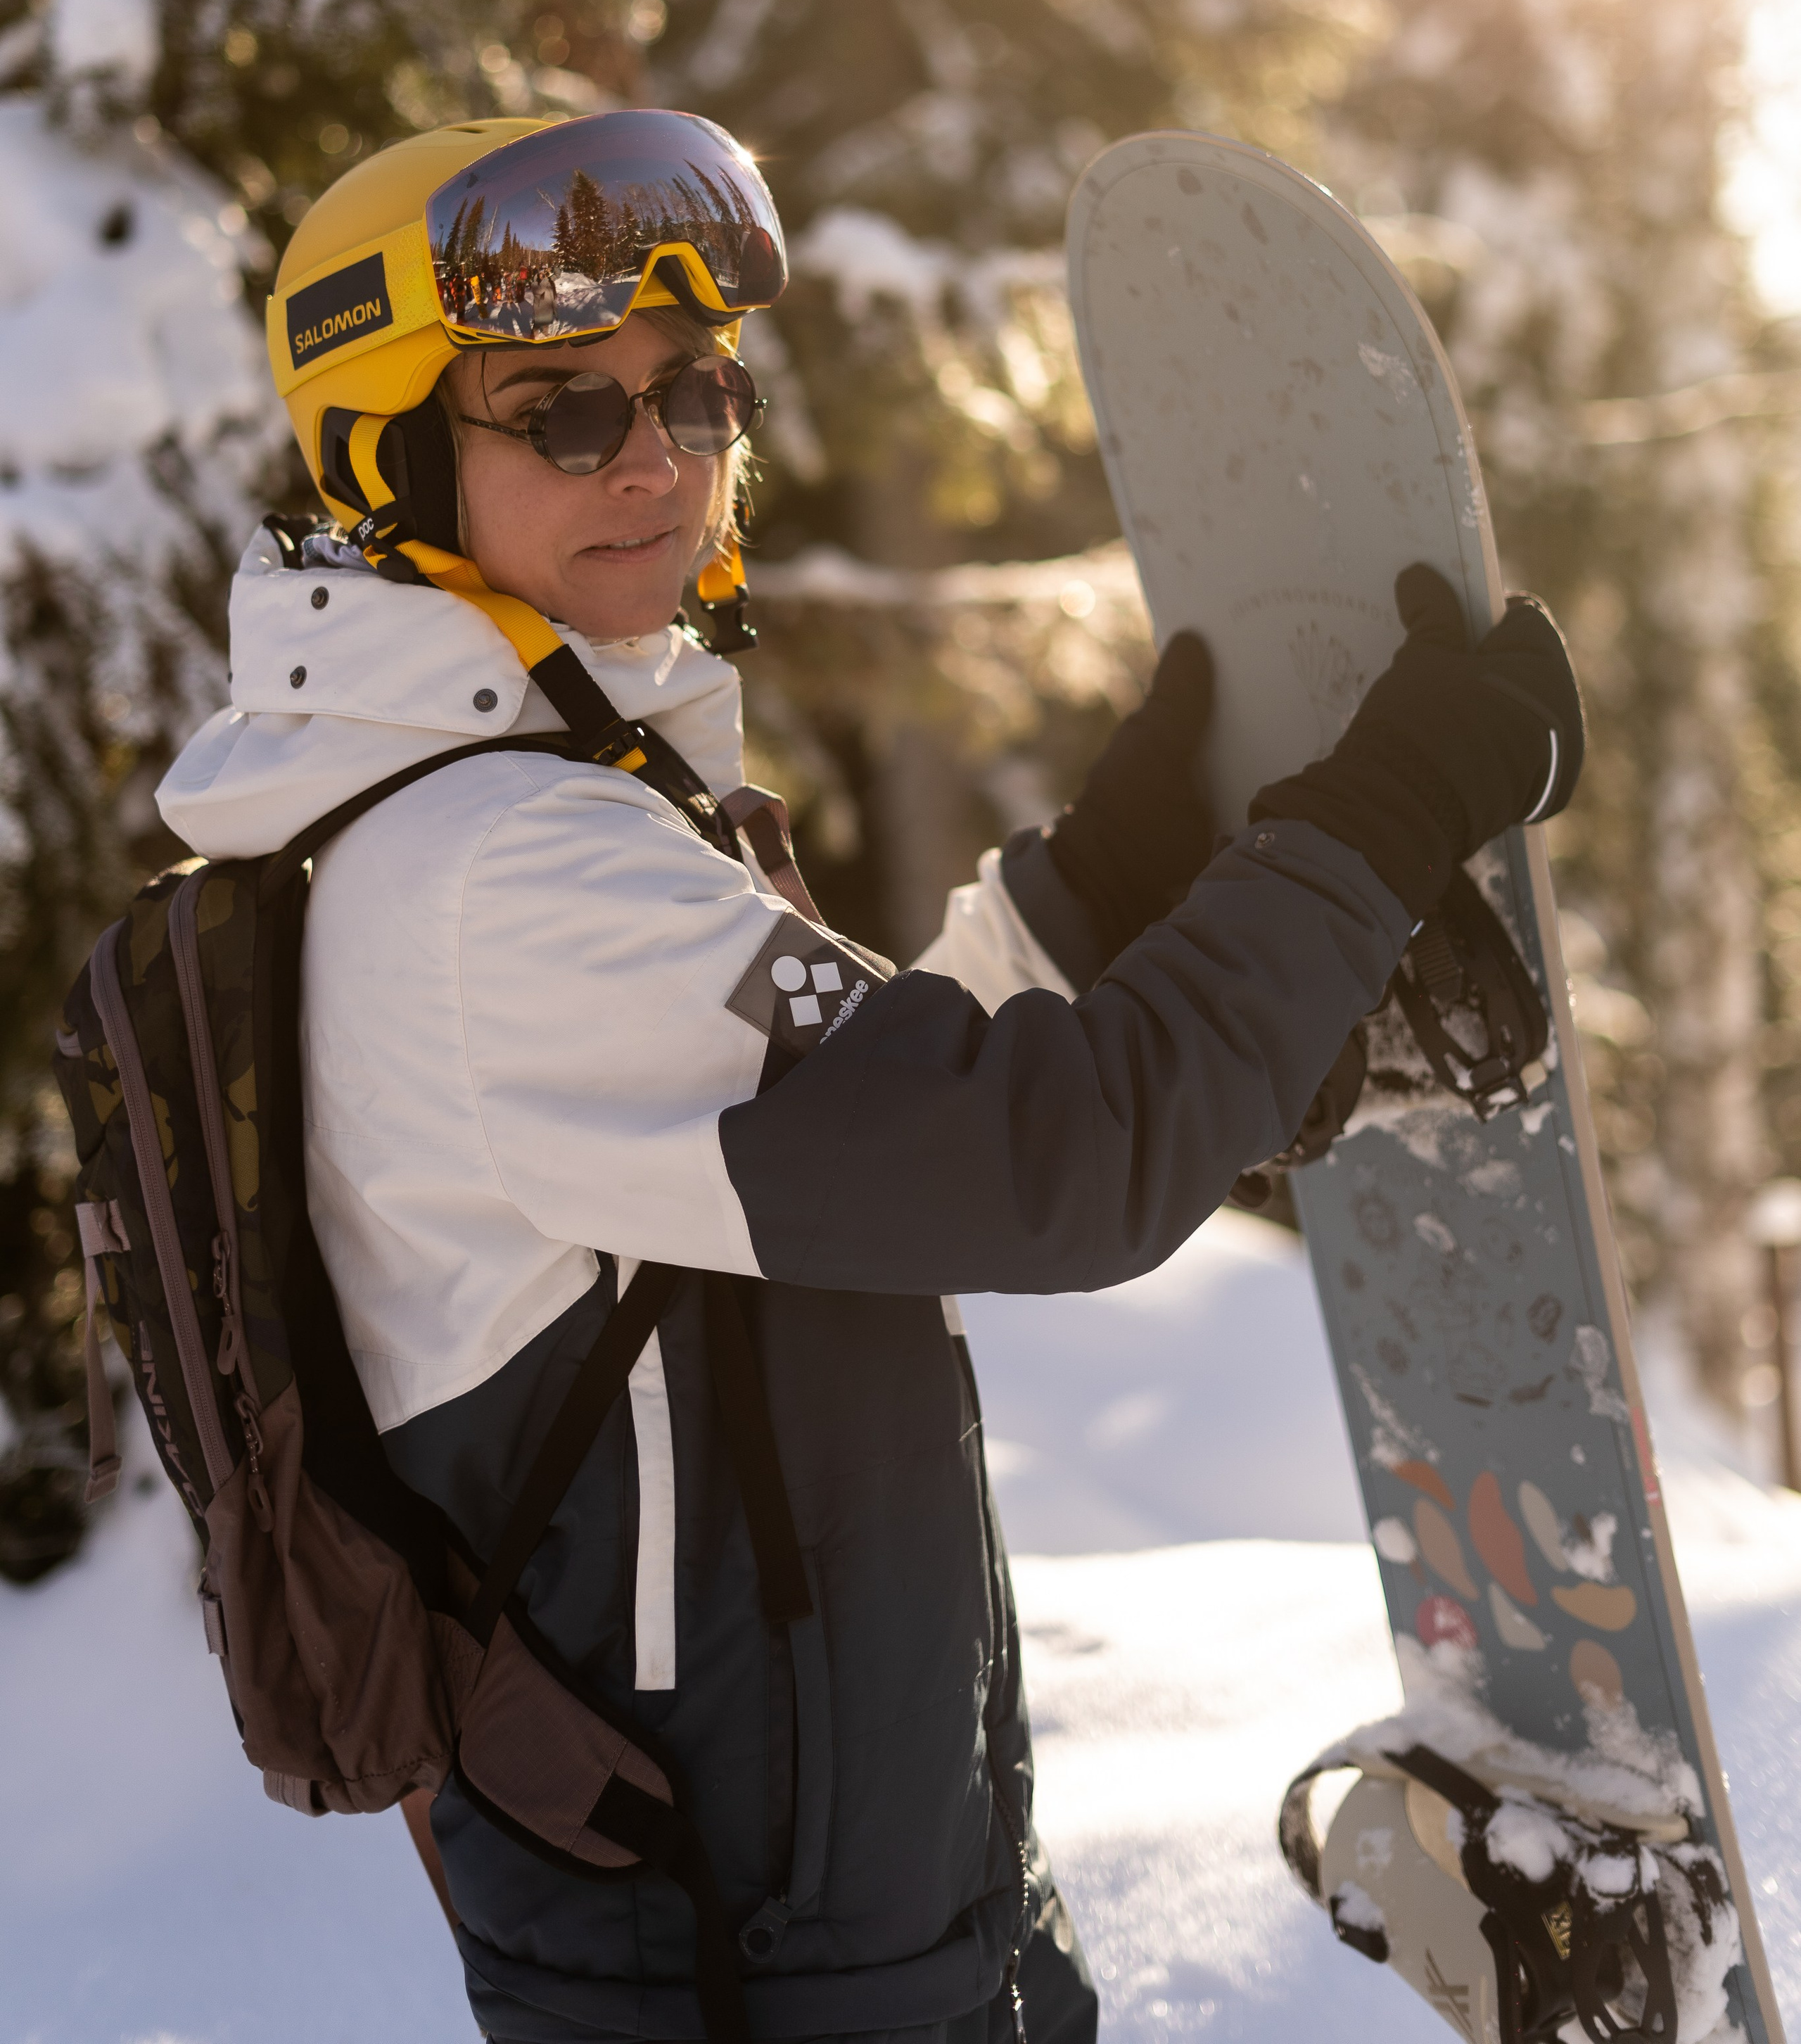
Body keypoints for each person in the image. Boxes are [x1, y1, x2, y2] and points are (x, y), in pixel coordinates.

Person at [155, 110, 1582, 2044]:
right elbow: (1049, 1163)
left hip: (837, 1926)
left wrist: (1094, 897)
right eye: (559, 414)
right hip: (755, 1973)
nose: (652, 457)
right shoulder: (500, 876)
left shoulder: (509, 812)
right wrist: (1386, 813)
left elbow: (821, 1169)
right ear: (399, 462)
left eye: (692, 392)